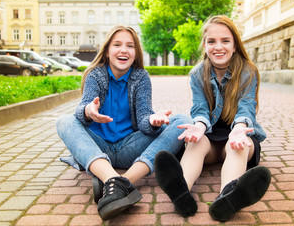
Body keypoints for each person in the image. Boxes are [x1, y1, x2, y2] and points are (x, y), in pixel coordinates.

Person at [56, 25, 192, 221]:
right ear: (107, 50)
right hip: (98, 146)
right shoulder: (95, 74)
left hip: (131, 147)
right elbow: (83, 108)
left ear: (136, 53)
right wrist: (89, 111)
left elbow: (144, 119)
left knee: (183, 120)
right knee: (64, 120)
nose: (123, 50)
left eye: (130, 46)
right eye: (117, 44)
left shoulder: (141, 77)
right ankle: (113, 179)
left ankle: (121, 182)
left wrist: (152, 121)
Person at [154, 15, 271, 222]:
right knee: (194, 143)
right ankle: (181, 191)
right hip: (209, 138)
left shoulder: (247, 71)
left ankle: (227, 197)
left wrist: (238, 129)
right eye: (211, 41)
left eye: (225, 41)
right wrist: (198, 126)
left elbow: (246, 108)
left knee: (238, 145)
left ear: (235, 45)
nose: (218, 47)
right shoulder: (197, 74)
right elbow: (199, 107)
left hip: (238, 134)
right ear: (204, 45)